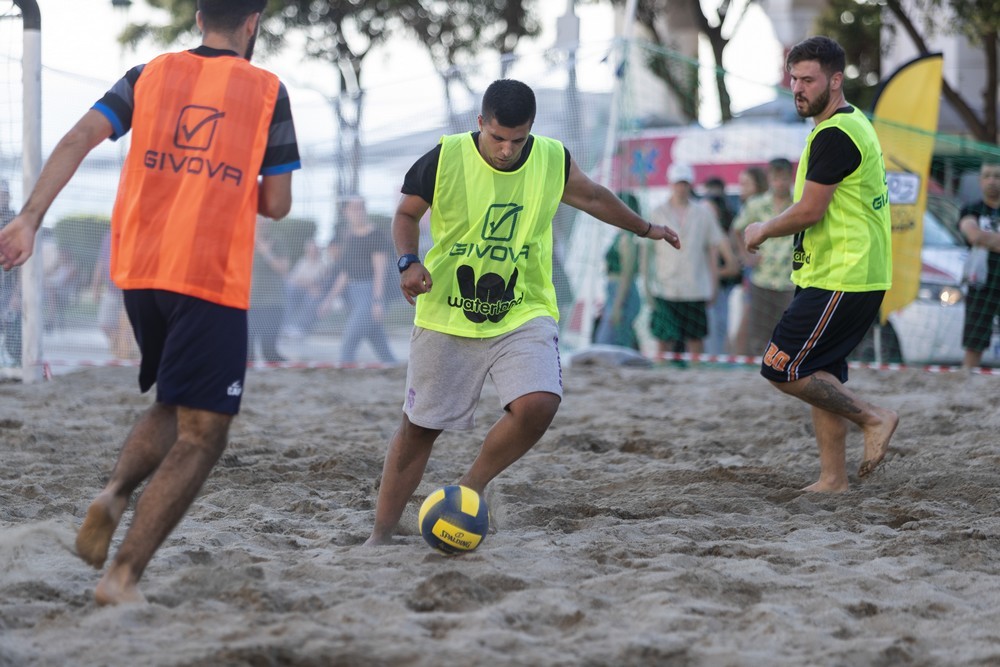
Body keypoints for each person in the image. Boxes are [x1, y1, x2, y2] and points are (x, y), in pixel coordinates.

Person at [0, 0, 300, 603]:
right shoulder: (267, 89)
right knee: (205, 433)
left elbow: (80, 135)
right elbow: (276, 204)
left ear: (196, 18)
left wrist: (29, 218)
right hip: (207, 275)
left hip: (139, 270)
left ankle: (113, 493)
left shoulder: (148, 74)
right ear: (253, 24)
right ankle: (123, 577)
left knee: (175, 401)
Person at [364, 79, 680, 545]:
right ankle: (380, 535)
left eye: (518, 139)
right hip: (448, 311)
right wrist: (408, 261)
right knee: (419, 429)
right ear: (480, 124)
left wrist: (646, 227)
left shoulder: (551, 157)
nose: (508, 149)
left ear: (531, 129)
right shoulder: (446, 155)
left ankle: (470, 490)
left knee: (539, 404)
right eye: (498, 138)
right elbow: (406, 214)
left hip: (523, 307)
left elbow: (593, 196)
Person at [742, 36, 898, 492]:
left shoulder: (836, 133)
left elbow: (810, 211)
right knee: (821, 373)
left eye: (808, 79)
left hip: (843, 275)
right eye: (793, 79)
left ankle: (875, 418)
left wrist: (762, 229)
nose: (798, 88)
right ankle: (833, 478)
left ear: (835, 79)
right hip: (836, 273)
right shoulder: (846, 124)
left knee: (781, 366)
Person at [643, 162, 738, 362]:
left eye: (685, 183)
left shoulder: (703, 213)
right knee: (663, 341)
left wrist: (723, 271)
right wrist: (646, 286)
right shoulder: (657, 212)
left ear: (690, 184)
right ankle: (662, 376)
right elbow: (646, 253)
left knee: (696, 340)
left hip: (694, 288)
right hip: (665, 286)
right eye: (678, 183)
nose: (681, 187)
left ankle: (697, 378)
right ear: (671, 184)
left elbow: (717, 243)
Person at [320, 196, 397, 364]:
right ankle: (395, 369)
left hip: (369, 294)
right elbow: (345, 273)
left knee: (349, 342)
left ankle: (342, 378)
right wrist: (329, 300)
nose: (358, 212)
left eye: (361, 207)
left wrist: (377, 301)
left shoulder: (375, 235)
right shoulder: (349, 237)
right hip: (353, 294)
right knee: (379, 343)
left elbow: (380, 271)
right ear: (346, 212)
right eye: (353, 208)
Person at [731, 158, 796, 356]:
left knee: (789, 334)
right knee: (758, 336)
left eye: (784, 178)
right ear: (769, 178)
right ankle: (757, 377)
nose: (780, 183)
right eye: (775, 179)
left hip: (790, 280)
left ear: (790, 178)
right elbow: (736, 229)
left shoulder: (798, 203)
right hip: (762, 278)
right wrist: (746, 256)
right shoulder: (756, 204)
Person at [958, 161, 1000, 370]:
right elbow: (973, 235)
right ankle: (965, 386)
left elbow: (980, 237)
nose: (992, 181)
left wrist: (987, 239)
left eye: (997, 176)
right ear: (980, 180)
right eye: (987, 176)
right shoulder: (971, 208)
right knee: (974, 342)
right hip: (981, 285)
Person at [593, 192, 643, 349]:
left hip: (622, 294)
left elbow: (626, 276)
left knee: (608, 342)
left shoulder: (626, 239)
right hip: (616, 293)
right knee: (614, 341)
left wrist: (617, 305)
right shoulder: (621, 236)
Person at [249, 217, 289, 363]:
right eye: (258, 218)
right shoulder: (244, 238)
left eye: (264, 218)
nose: (262, 222)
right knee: (248, 353)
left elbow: (284, 269)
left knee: (269, 351)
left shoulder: (277, 240)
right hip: (249, 303)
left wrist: (266, 253)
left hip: (273, 302)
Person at [0, 179, 19, 364]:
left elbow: (22, 264)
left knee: (9, 325)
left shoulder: (15, 222)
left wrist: (17, 294)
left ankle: (10, 362)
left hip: (8, 285)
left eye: (3, 194)